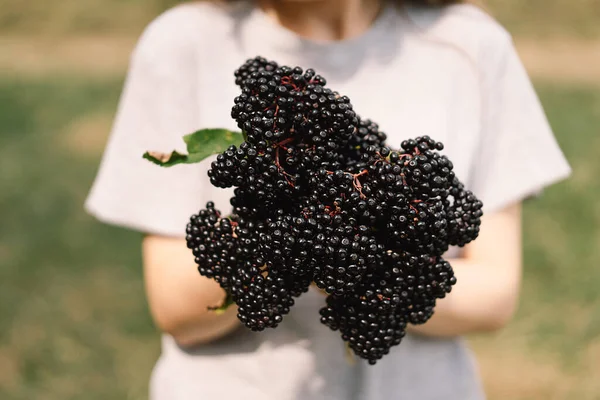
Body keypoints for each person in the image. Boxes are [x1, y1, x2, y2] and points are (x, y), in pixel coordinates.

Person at [85, 0, 571, 398]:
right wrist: (315, 238)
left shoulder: (472, 46)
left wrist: (342, 250)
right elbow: (178, 310)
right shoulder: (184, 43)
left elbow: (494, 297)